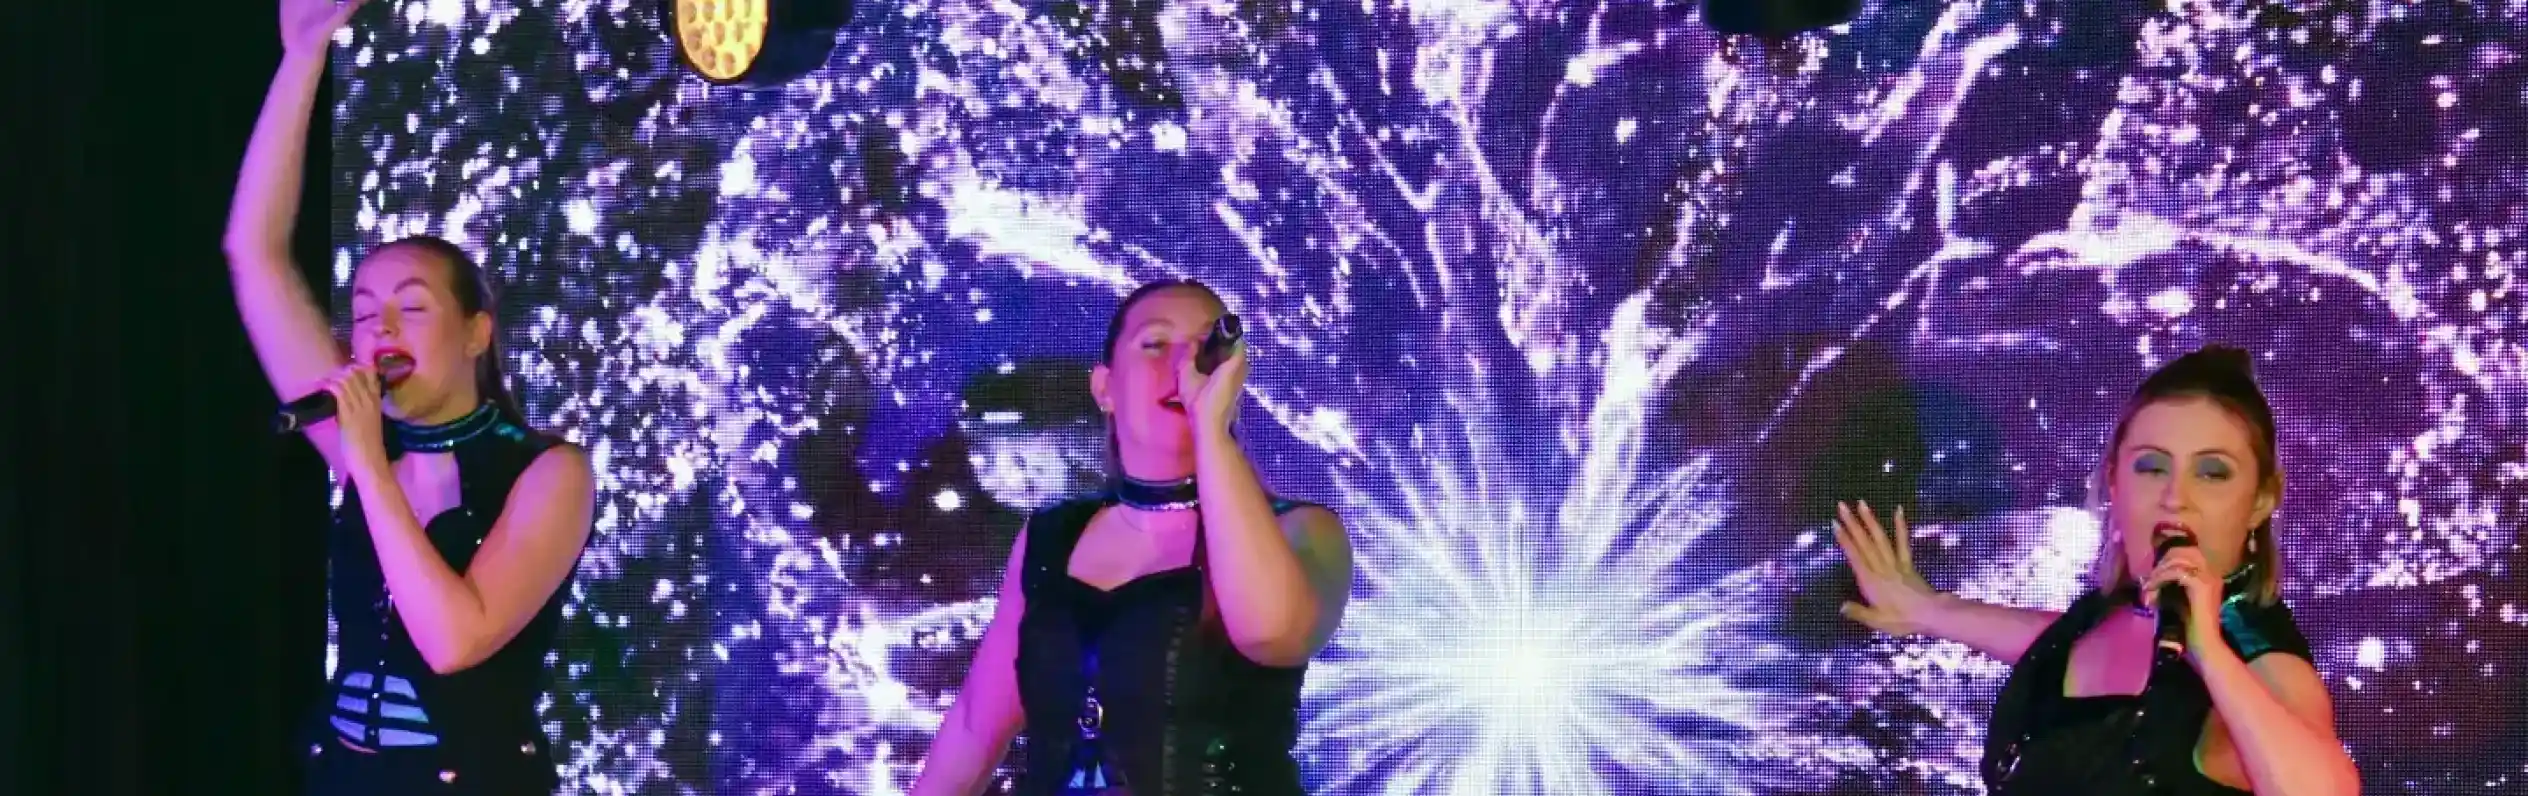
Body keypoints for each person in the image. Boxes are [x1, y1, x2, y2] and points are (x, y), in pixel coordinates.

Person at [224, 0, 595, 792]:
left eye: (412, 308)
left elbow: (454, 640)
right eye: (363, 314)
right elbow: (254, 255)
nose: (381, 329)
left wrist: (366, 463)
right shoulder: (367, 444)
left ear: (476, 333)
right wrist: (302, 58)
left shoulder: (549, 472)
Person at [1833, 345, 2359, 795]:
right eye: (2152, 466)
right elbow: (2065, 647)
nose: (2175, 497)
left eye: (2212, 473)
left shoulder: (2260, 658)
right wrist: (1930, 610)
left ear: (2260, 500)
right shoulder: (2105, 620)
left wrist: (2209, 652)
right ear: (2114, 480)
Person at [911, 280, 1355, 796]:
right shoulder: (1052, 537)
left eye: (1205, 347)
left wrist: (1211, 431)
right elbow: (974, 728)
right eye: (1156, 344)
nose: (1184, 365)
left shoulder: (1301, 531)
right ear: (1105, 388)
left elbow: (1272, 632)